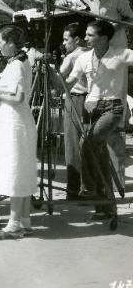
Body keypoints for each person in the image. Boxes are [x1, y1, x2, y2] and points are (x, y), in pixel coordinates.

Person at [64, 20, 133, 219]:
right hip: (91, 108)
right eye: (85, 34)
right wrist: (53, 76)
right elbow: (68, 82)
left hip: (113, 108)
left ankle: (89, 187)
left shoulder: (121, 53)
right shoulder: (83, 58)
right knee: (100, 157)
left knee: (87, 142)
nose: (85, 38)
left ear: (103, 38)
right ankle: (106, 207)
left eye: (90, 35)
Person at [0, 26, 37, 240]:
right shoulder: (17, 62)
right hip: (13, 124)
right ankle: (24, 221)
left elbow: (18, 98)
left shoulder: (16, 66)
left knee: (15, 170)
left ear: (11, 43)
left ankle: (14, 224)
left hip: (15, 125)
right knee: (20, 170)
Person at [56, 23, 89, 199]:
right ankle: (88, 185)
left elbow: (59, 81)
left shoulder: (72, 56)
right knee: (88, 144)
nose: (64, 43)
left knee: (72, 144)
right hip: (91, 98)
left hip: (76, 98)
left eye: (66, 39)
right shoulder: (92, 53)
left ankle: (73, 188)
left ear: (77, 39)